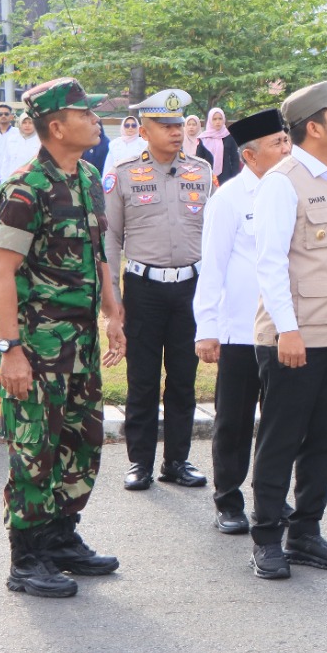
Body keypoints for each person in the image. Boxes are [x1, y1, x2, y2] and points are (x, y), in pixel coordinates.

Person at [0, 76, 126, 598]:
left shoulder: (89, 177)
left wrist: (113, 311)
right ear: (55, 126)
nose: (95, 119)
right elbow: (2, 274)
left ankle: (61, 538)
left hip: (81, 341)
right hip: (37, 345)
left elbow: (96, 253)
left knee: (80, 440)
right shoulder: (26, 187)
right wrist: (11, 350)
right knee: (34, 446)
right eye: (84, 113)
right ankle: (26, 559)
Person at [249, 80, 327, 579]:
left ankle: (305, 531)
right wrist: (287, 330)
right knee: (280, 437)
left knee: (325, 437)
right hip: (293, 336)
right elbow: (269, 263)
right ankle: (266, 538)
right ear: (314, 126)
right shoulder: (283, 180)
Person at [104, 88, 214, 492]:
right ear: (144, 130)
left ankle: (177, 461)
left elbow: (215, 236)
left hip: (191, 288)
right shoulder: (125, 173)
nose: (174, 131)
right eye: (165, 125)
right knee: (144, 379)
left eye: (178, 124)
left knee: (184, 378)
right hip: (143, 287)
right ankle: (140, 463)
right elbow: (111, 238)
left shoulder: (201, 171)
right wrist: (112, 300)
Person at [194, 109, 292, 535]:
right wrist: (207, 328)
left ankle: (270, 499)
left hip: (278, 330)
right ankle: (227, 500)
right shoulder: (229, 198)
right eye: (277, 144)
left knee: (279, 421)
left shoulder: (291, 191)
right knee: (233, 420)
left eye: (287, 142)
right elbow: (211, 267)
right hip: (237, 330)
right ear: (250, 156)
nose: (287, 150)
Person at [0, 102, 26, 189]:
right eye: (0, 114)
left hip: (12, 177)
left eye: (6, 114)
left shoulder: (18, 133)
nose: (3, 116)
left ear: (11, 117)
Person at [198, 107, 240, 183]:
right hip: (207, 178)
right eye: (214, 119)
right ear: (210, 120)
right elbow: (199, 160)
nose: (218, 122)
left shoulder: (229, 137)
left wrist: (235, 179)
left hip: (227, 178)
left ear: (223, 120)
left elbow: (235, 159)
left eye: (220, 119)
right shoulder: (204, 138)